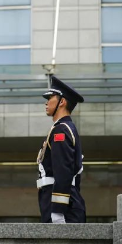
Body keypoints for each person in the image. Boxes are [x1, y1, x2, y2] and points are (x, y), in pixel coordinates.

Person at [36, 76, 86, 224]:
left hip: (62, 207)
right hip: (61, 202)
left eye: (50, 98)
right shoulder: (63, 128)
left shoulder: (61, 131)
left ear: (62, 102)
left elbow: (63, 171)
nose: (46, 102)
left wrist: (58, 210)